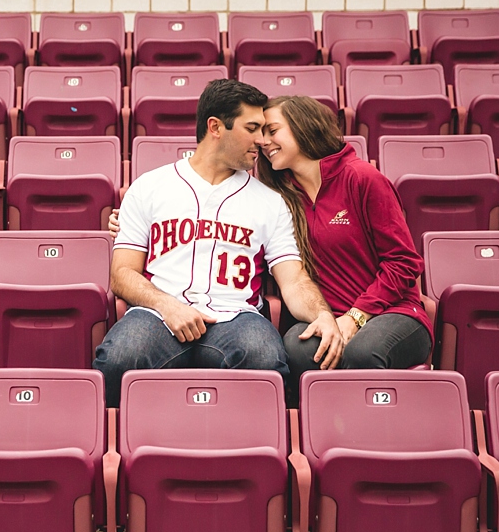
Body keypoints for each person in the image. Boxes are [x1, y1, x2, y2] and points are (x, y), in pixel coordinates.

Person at [93, 80, 343, 408]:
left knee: (265, 359)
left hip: (236, 316)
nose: (262, 140)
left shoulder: (270, 201)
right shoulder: (149, 187)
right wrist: (168, 307)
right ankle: (121, 454)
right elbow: (122, 274)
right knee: (118, 358)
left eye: (264, 129)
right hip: (159, 314)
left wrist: (321, 314)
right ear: (215, 127)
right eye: (252, 128)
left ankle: (258, 456)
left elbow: (293, 279)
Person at [256, 95, 433, 396]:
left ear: (302, 126)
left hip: (393, 313)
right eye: (260, 134)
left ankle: (368, 440)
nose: (263, 141)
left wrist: (356, 316)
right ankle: (319, 439)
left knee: (361, 354)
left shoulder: (362, 178)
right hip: (324, 315)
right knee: (297, 349)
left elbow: (404, 262)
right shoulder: (279, 196)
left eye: (272, 130)